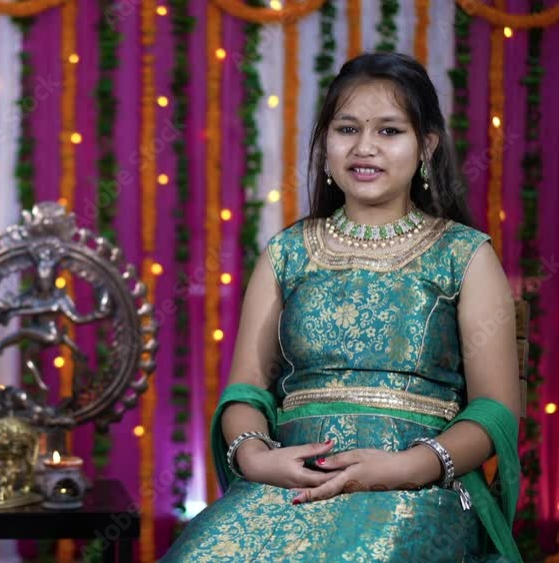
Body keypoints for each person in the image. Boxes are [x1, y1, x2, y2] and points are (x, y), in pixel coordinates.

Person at [162, 53, 522, 562]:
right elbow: (245, 390)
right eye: (347, 128)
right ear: (325, 144)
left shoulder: (463, 254)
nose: (365, 147)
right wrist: (257, 458)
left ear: (427, 147)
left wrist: (407, 467)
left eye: (390, 131)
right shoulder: (287, 254)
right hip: (290, 487)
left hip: (417, 491)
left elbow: (494, 412)